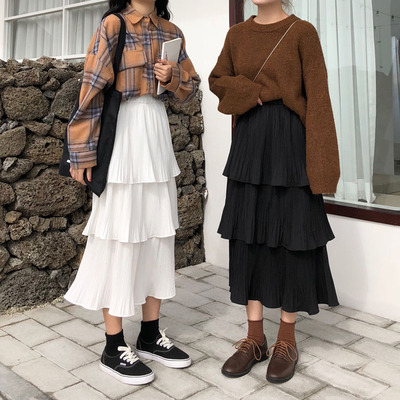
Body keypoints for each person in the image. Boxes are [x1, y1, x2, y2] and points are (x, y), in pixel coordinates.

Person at [64, 0, 200, 385]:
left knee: (157, 235)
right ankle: (113, 345)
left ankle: (150, 334)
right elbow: (91, 89)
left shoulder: (171, 31)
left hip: (156, 135)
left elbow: (190, 90)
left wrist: (173, 77)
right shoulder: (113, 24)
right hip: (121, 135)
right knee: (119, 235)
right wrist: (82, 150)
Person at [209, 0, 340, 383]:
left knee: (291, 238)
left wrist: (323, 165)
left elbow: (318, 99)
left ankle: (286, 339)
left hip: (289, 144)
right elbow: (217, 80)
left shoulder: (302, 32)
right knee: (248, 236)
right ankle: (254, 338)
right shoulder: (237, 35)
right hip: (249, 143)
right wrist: (253, 92)